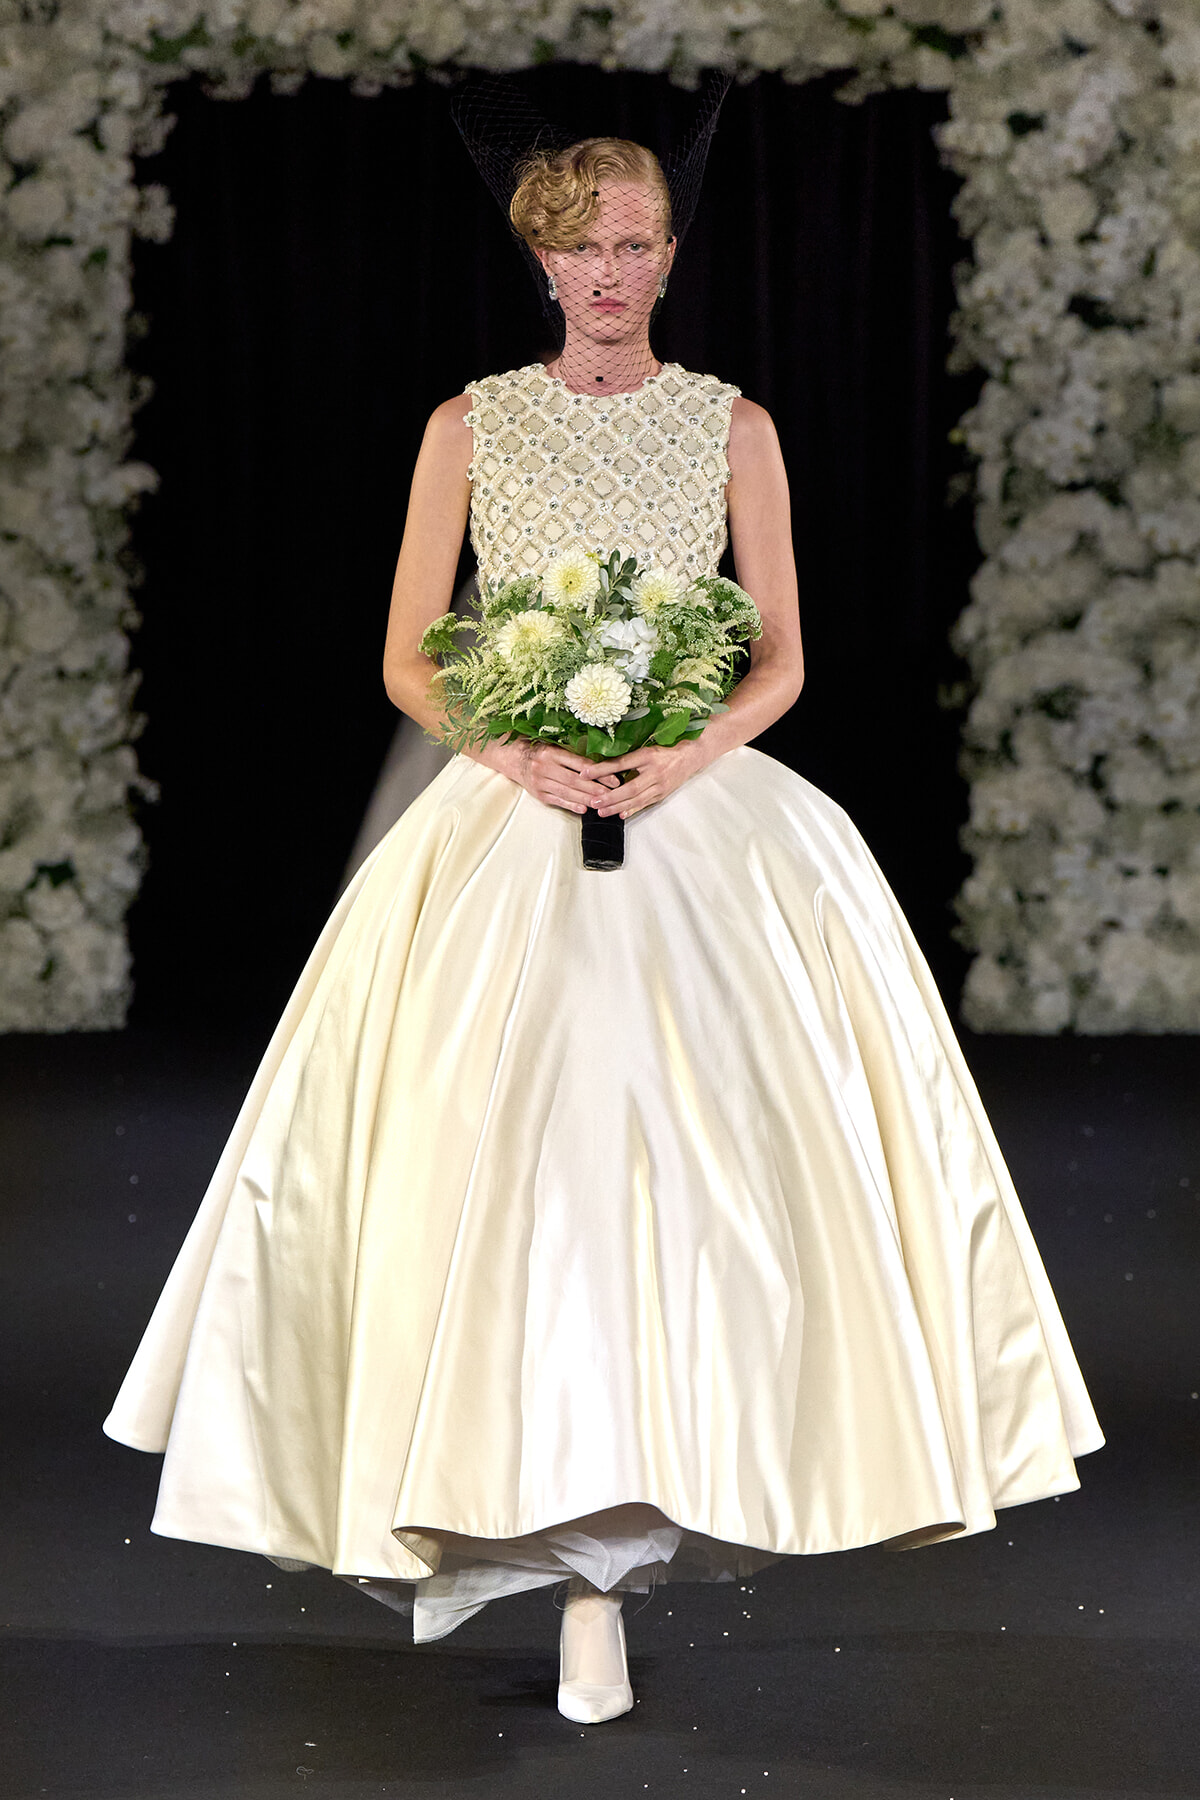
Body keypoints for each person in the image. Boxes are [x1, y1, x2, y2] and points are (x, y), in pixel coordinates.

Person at [104, 136, 1103, 1728]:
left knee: (700, 1188)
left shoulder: (735, 427)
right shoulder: (467, 426)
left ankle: (633, 1549)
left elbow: (777, 657)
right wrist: (513, 750)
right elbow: (408, 657)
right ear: (545, 263)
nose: (617, 273)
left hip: (698, 821)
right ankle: (564, 1558)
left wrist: (681, 750)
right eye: (589, 249)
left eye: (641, 244)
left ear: (669, 256)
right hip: (507, 823)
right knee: (504, 1182)